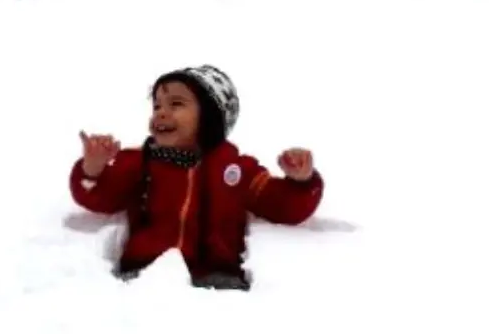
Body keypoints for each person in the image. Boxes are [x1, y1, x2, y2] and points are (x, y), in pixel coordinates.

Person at [70, 64, 323, 291]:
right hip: (143, 276)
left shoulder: (234, 168)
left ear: (211, 116)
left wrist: (301, 182)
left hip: (217, 281)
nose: (161, 112)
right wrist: (93, 169)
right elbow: (102, 196)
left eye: (176, 104)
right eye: (157, 105)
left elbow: (282, 206)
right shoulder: (139, 161)